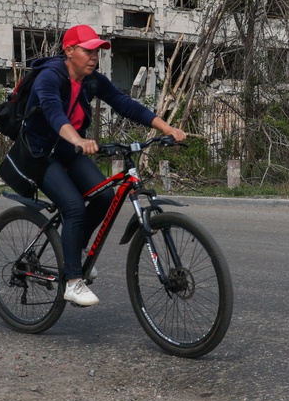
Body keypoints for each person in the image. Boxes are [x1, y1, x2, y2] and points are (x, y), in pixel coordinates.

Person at [21, 25, 186, 307]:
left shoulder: (91, 80)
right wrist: (78, 139)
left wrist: (167, 127)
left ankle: (75, 251)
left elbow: (125, 104)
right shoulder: (49, 77)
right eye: (87, 50)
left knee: (106, 196)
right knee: (73, 206)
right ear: (69, 51)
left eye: (96, 50)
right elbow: (53, 112)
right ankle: (73, 282)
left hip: (69, 150)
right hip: (40, 153)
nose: (94, 56)